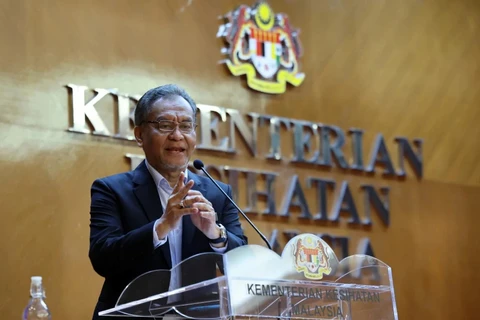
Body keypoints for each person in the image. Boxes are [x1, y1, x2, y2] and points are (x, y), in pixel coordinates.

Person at [88, 84, 248, 319]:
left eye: (186, 126)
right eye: (165, 125)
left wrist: (216, 234)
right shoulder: (111, 190)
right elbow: (103, 258)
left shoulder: (217, 193)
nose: (177, 135)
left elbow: (243, 263)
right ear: (140, 135)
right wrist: (160, 227)